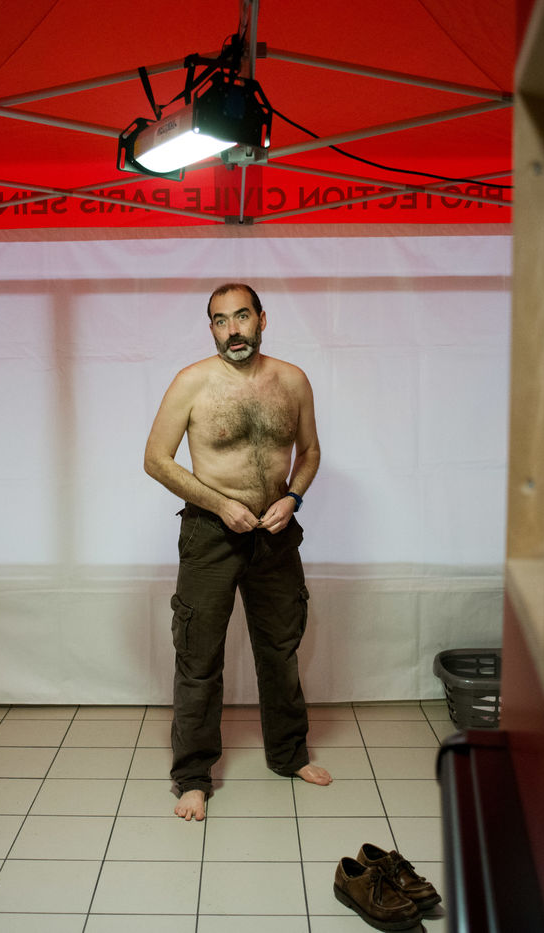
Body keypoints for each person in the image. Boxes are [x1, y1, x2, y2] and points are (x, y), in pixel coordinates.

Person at [144, 282, 333, 821]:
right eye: (221, 320)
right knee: (198, 657)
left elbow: (310, 451)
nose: (233, 330)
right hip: (211, 534)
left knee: (280, 649)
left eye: (242, 317)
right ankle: (193, 777)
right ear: (211, 328)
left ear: (262, 320)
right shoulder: (192, 382)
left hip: (275, 533)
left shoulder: (293, 380)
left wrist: (293, 498)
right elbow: (156, 459)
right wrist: (220, 504)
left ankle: (289, 754)